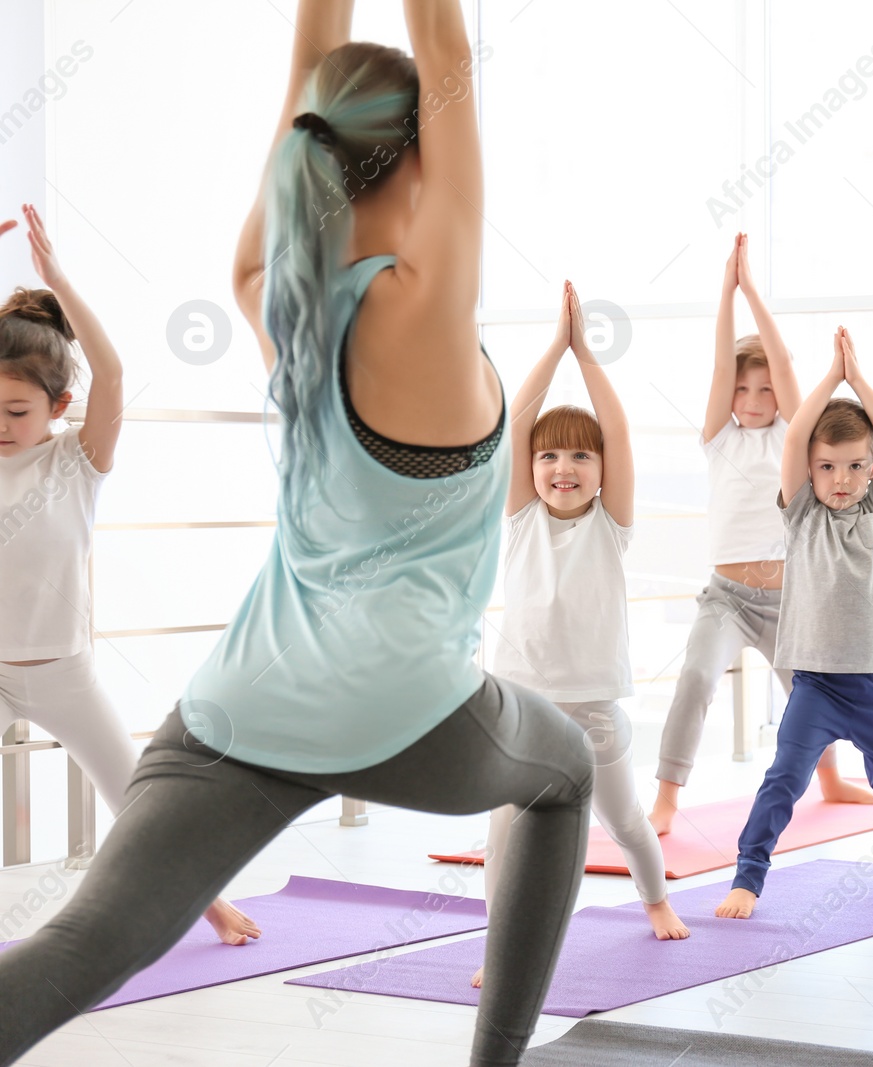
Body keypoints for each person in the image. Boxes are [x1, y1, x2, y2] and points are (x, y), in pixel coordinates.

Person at [0, 5, 593, 1065]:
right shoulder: (424, 316)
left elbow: (310, 80)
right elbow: (446, 53)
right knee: (567, 769)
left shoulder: (275, 296)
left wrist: (320, 60)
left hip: (240, 701)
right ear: (413, 160)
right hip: (408, 712)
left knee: (85, 939)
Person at [0, 205, 259, 946]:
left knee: (137, 800)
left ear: (59, 405)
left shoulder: (75, 463)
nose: (1, 422)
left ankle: (211, 905)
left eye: (17, 409)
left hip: (63, 672)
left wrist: (58, 279)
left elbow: (112, 371)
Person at [473, 281, 687, 989]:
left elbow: (618, 432)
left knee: (625, 821)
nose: (563, 469)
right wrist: (551, 348)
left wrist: (585, 355)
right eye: (550, 458)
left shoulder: (610, 524)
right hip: (521, 705)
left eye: (580, 459)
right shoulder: (518, 519)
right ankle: (497, 950)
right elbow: (516, 422)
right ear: (532, 470)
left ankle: (655, 898)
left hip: (593, 707)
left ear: (600, 474)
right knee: (504, 832)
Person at [715, 325, 873, 920]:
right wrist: (832, 379)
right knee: (784, 781)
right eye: (827, 468)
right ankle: (748, 877)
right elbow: (798, 432)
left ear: (872, 468)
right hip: (817, 686)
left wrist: (859, 380)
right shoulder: (801, 513)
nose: (842, 480)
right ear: (809, 470)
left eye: (855, 466)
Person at [650, 232, 873, 836]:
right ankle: (668, 797)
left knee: (810, 697)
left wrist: (754, 292)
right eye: (742, 389)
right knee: (696, 678)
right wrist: (727, 295)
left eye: (765, 388)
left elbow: (784, 363)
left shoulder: (791, 440)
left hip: (789, 599)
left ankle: (829, 779)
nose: (752, 398)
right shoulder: (718, 438)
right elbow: (723, 361)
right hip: (726, 596)